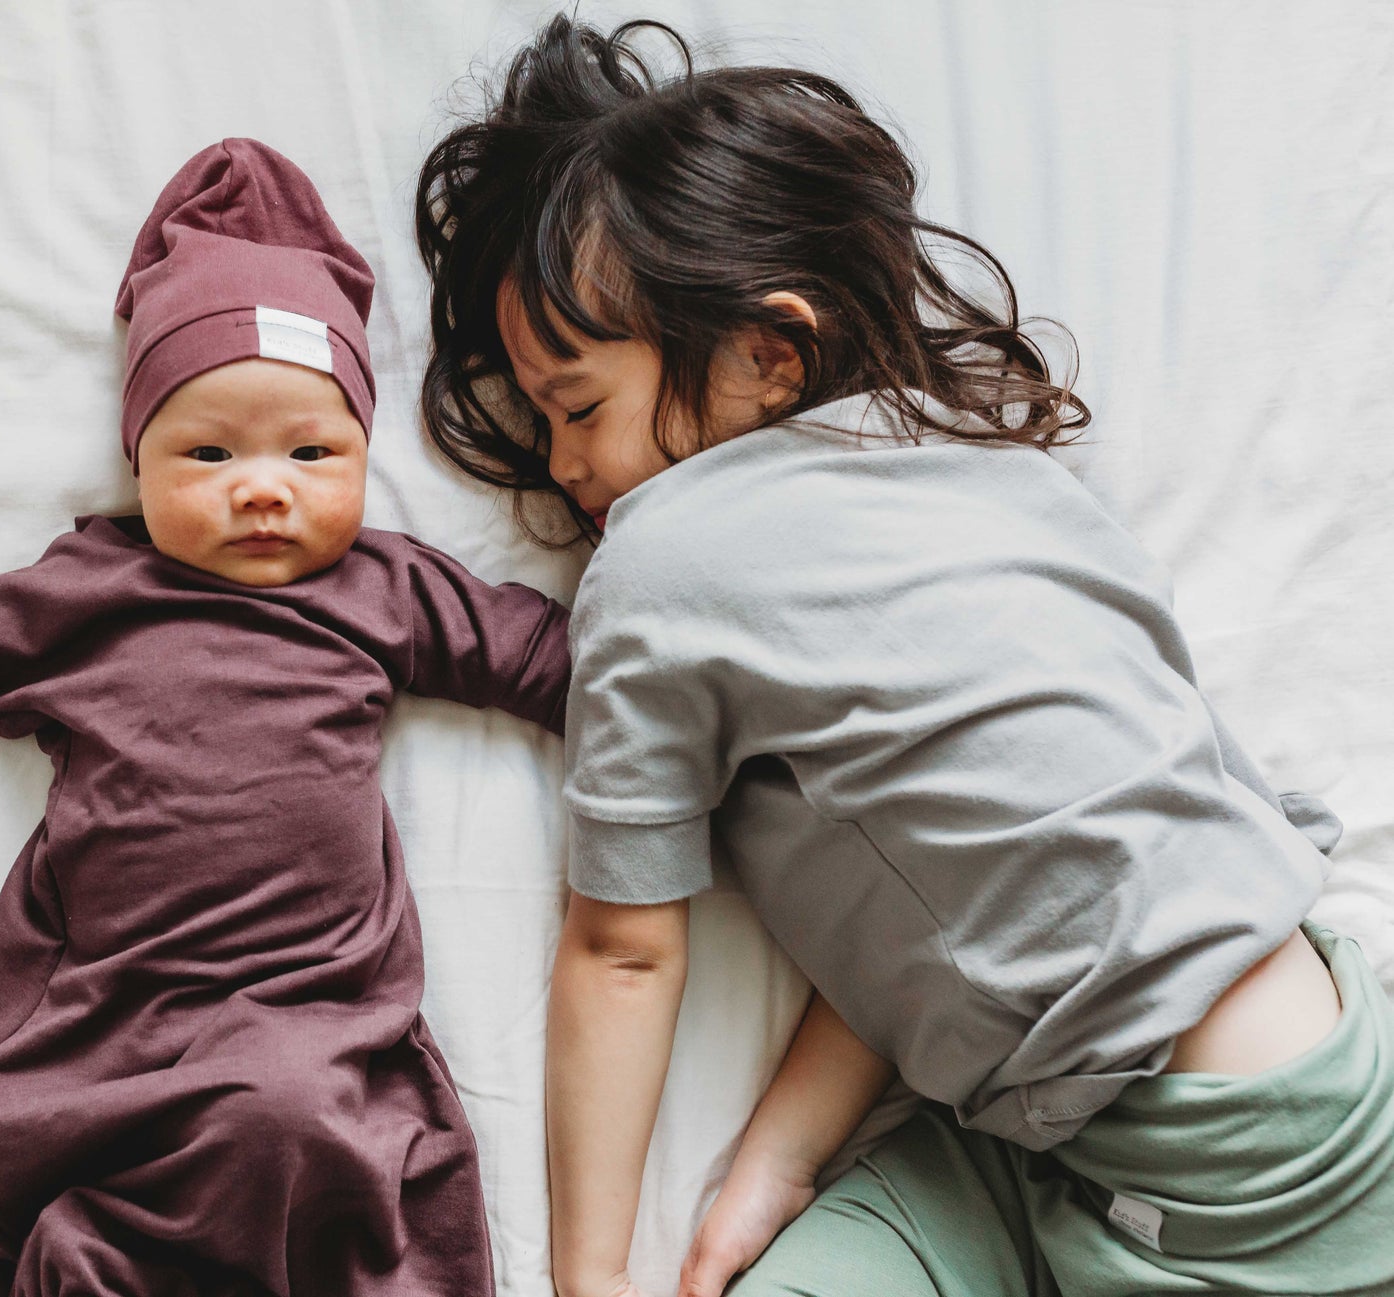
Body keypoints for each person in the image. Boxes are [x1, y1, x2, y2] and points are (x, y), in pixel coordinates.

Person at [413, 16, 1394, 1297]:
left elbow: (624, 950)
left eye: (576, 406)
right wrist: (775, 1161)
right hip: (1222, 1080)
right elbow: (935, 909)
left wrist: (586, 1281)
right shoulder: (1003, 477)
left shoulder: (661, 556)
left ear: (765, 356)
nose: (557, 464)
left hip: (1221, 1169)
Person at [0, 138, 569, 1297]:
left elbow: (532, 651)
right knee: (43, 1151)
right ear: (139, 458)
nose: (261, 484)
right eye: (209, 451)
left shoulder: (382, 589)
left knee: (288, 1115)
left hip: (306, 993)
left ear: (361, 457)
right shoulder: (92, 588)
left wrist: (664, 710)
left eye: (311, 451)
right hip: (122, 998)